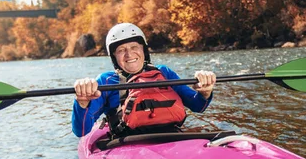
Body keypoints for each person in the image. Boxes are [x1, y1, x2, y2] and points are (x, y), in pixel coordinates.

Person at [72, 23, 216, 138]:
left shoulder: (164, 73)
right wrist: (82, 103)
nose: (129, 54)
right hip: (127, 145)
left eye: (134, 47)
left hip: (170, 137)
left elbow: (198, 106)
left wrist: (205, 92)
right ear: (114, 57)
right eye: (121, 50)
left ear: (144, 50)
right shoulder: (106, 82)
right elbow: (82, 131)